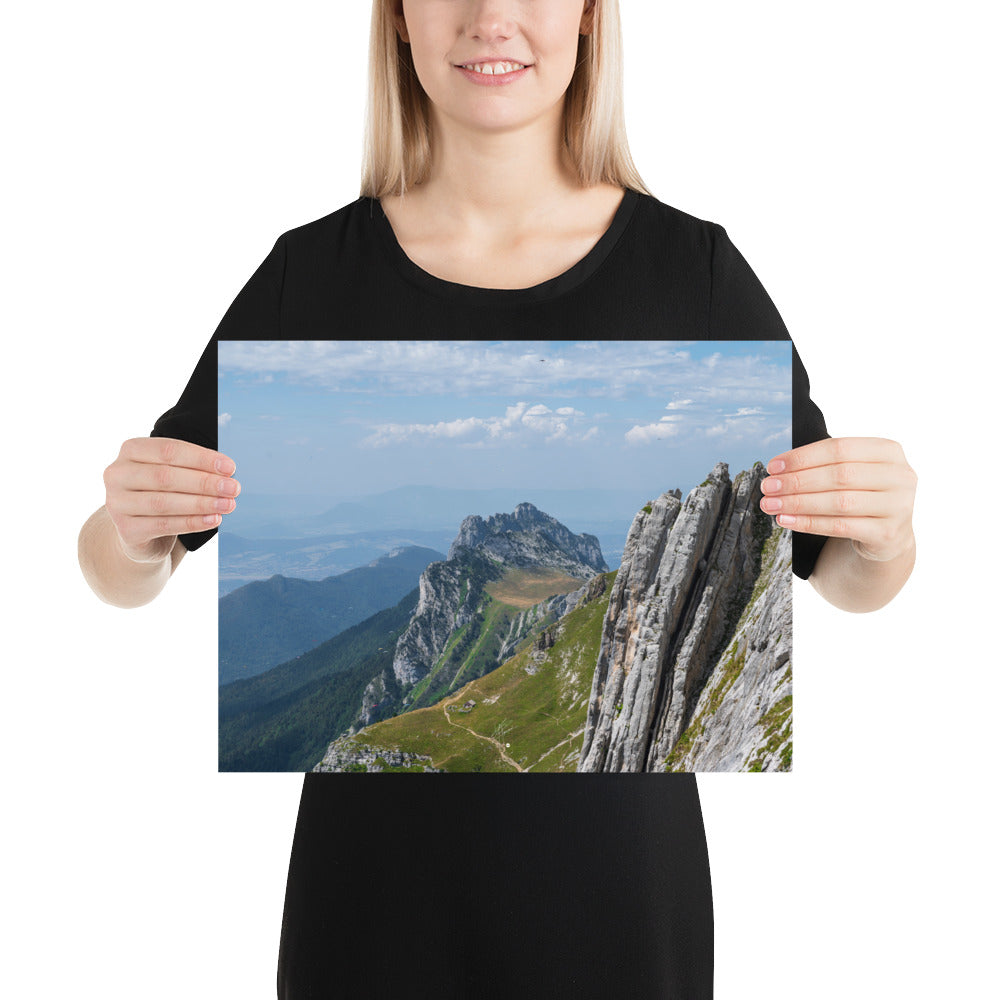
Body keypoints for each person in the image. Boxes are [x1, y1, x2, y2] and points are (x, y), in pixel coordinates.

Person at [78, 1, 917, 996]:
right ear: (396, 19)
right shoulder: (310, 274)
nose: (492, 18)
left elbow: (843, 577)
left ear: (591, 18)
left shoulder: (694, 272)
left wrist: (885, 532)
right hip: (368, 912)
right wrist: (129, 533)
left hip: (619, 911)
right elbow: (120, 568)